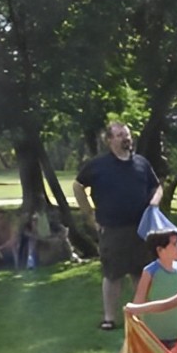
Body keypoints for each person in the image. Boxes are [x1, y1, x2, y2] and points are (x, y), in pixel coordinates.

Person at [73, 122, 162, 330]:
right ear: (110, 140)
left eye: (128, 134)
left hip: (141, 229)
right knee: (113, 275)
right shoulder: (98, 165)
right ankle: (109, 318)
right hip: (112, 229)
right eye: (121, 135)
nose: (126, 138)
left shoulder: (141, 163)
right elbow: (78, 186)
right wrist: (88, 214)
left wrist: (154, 202)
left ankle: (141, 317)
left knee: (141, 273)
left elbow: (157, 186)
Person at [132, 229, 177, 349]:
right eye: (174, 244)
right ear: (160, 250)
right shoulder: (150, 272)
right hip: (152, 337)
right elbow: (139, 301)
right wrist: (135, 329)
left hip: (175, 335)